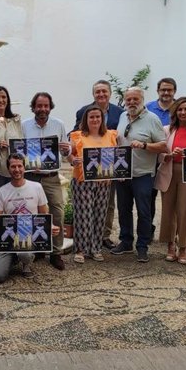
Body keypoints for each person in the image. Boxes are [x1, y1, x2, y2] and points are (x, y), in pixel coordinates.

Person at [112, 87, 167, 263]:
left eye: (135, 99)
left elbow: (163, 146)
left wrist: (144, 145)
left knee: (144, 212)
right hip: (122, 173)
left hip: (143, 174)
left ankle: (142, 246)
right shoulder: (122, 116)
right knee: (123, 209)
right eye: (128, 100)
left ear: (142, 99)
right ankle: (126, 241)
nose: (131, 103)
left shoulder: (152, 119)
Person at [0, 153, 59, 283]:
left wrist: (51, 226)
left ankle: (26, 263)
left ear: (24, 168)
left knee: (24, 252)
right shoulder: (2, 191)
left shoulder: (36, 187)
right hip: (9, 238)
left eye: (19, 166)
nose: (17, 170)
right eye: (13, 166)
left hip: (29, 235)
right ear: (8, 169)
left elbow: (44, 214)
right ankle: (13, 258)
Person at [154, 97, 186, 265]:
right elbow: (159, 153)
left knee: (185, 210)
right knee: (169, 210)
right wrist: (169, 155)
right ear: (175, 112)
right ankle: (171, 244)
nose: (183, 112)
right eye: (180, 109)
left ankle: (183, 246)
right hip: (169, 172)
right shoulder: (166, 130)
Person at [73, 80, 124, 250]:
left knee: (106, 208)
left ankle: (103, 237)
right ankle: (83, 245)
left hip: (106, 176)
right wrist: (70, 152)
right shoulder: (83, 111)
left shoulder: (120, 113)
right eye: (98, 92)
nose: (101, 95)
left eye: (104, 91)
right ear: (93, 95)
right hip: (84, 176)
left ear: (110, 93)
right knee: (84, 213)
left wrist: (121, 169)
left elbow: (119, 147)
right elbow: (74, 139)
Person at [22, 92, 70, 270]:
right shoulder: (24, 126)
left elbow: (66, 152)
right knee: (31, 214)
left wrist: (65, 150)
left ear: (50, 107)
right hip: (31, 176)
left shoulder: (59, 125)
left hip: (51, 177)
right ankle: (38, 248)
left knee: (57, 212)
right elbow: (20, 150)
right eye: (39, 106)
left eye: (46, 106)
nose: (42, 109)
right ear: (33, 107)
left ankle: (56, 253)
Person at [68, 106, 118, 263]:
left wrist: (121, 173)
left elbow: (117, 157)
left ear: (102, 119)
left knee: (100, 215)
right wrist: (72, 160)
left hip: (104, 182)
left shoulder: (111, 135)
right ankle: (81, 249)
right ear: (86, 120)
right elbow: (69, 155)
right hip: (82, 181)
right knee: (83, 215)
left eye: (98, 117)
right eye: (91, 117)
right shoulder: (77, 136)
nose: (95, 119)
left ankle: (95, 248)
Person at [145, 77, 177, 239]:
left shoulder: (180, 108)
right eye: (163, 89)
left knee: (172, 199)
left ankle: (172, 233)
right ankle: (148, 229)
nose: (166, 92)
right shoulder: (148, 108)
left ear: (174, 91)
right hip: (150, 159)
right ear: (158, 91)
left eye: (169, 90)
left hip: (172, 160)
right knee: (149, 197)